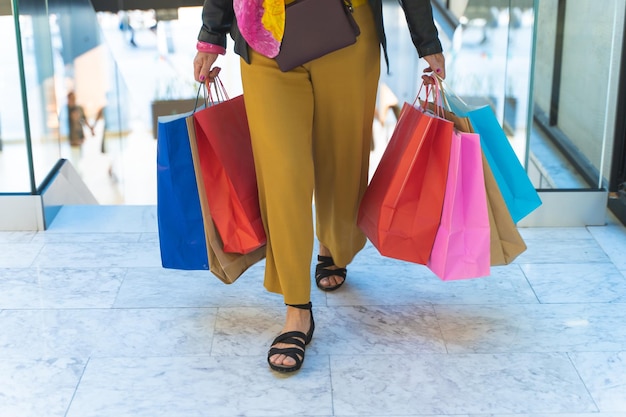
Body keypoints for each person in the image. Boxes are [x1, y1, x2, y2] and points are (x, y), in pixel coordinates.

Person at [193, 0, 446, 374]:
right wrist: (210, 35)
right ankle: (297, 309)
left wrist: (427, 40)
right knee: (282, 174)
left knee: (341, 160)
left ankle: (332, 239)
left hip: (347, 28)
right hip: (264, 35)